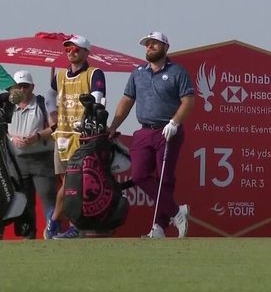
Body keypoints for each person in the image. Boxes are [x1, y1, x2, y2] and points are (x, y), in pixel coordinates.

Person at [107, 32, 194, 238]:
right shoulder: (138, 73)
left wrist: (174, 122)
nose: (150, 47)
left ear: (165, 47)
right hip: (144, 130)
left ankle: (159, 228)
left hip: (168, 130)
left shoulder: (177, 71)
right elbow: (127, 101)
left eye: (155, 44)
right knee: (139, 175)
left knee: (164, 180)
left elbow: (188, 101)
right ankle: (176, 212)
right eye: (147, 44)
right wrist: (113, 126)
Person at [48, 35, 107, 239]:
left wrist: (90, 116)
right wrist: (52, 120)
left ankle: (64, 224)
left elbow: (98, 101)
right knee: (68, 183)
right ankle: (57, 222)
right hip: (62, 136)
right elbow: (49, 97)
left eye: (75, 49)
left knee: (75, 184)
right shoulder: (60, 76)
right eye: (68, 50)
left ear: (85, 52)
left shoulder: (94, 73)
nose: (71, 53)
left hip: (84, 137)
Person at [3, 71, 57, 239]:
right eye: (18, 86)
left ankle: (54, 233)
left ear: (32, 87)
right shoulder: (7, 105)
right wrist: (12, 138)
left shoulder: (41, 103)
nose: (21, 90)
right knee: (24, 202)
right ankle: (28, 236)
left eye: (25, 86)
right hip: (17, 162)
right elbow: (3, 130)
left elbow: (55, 127)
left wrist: (38, 136)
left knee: (48, 198)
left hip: (41, 160)